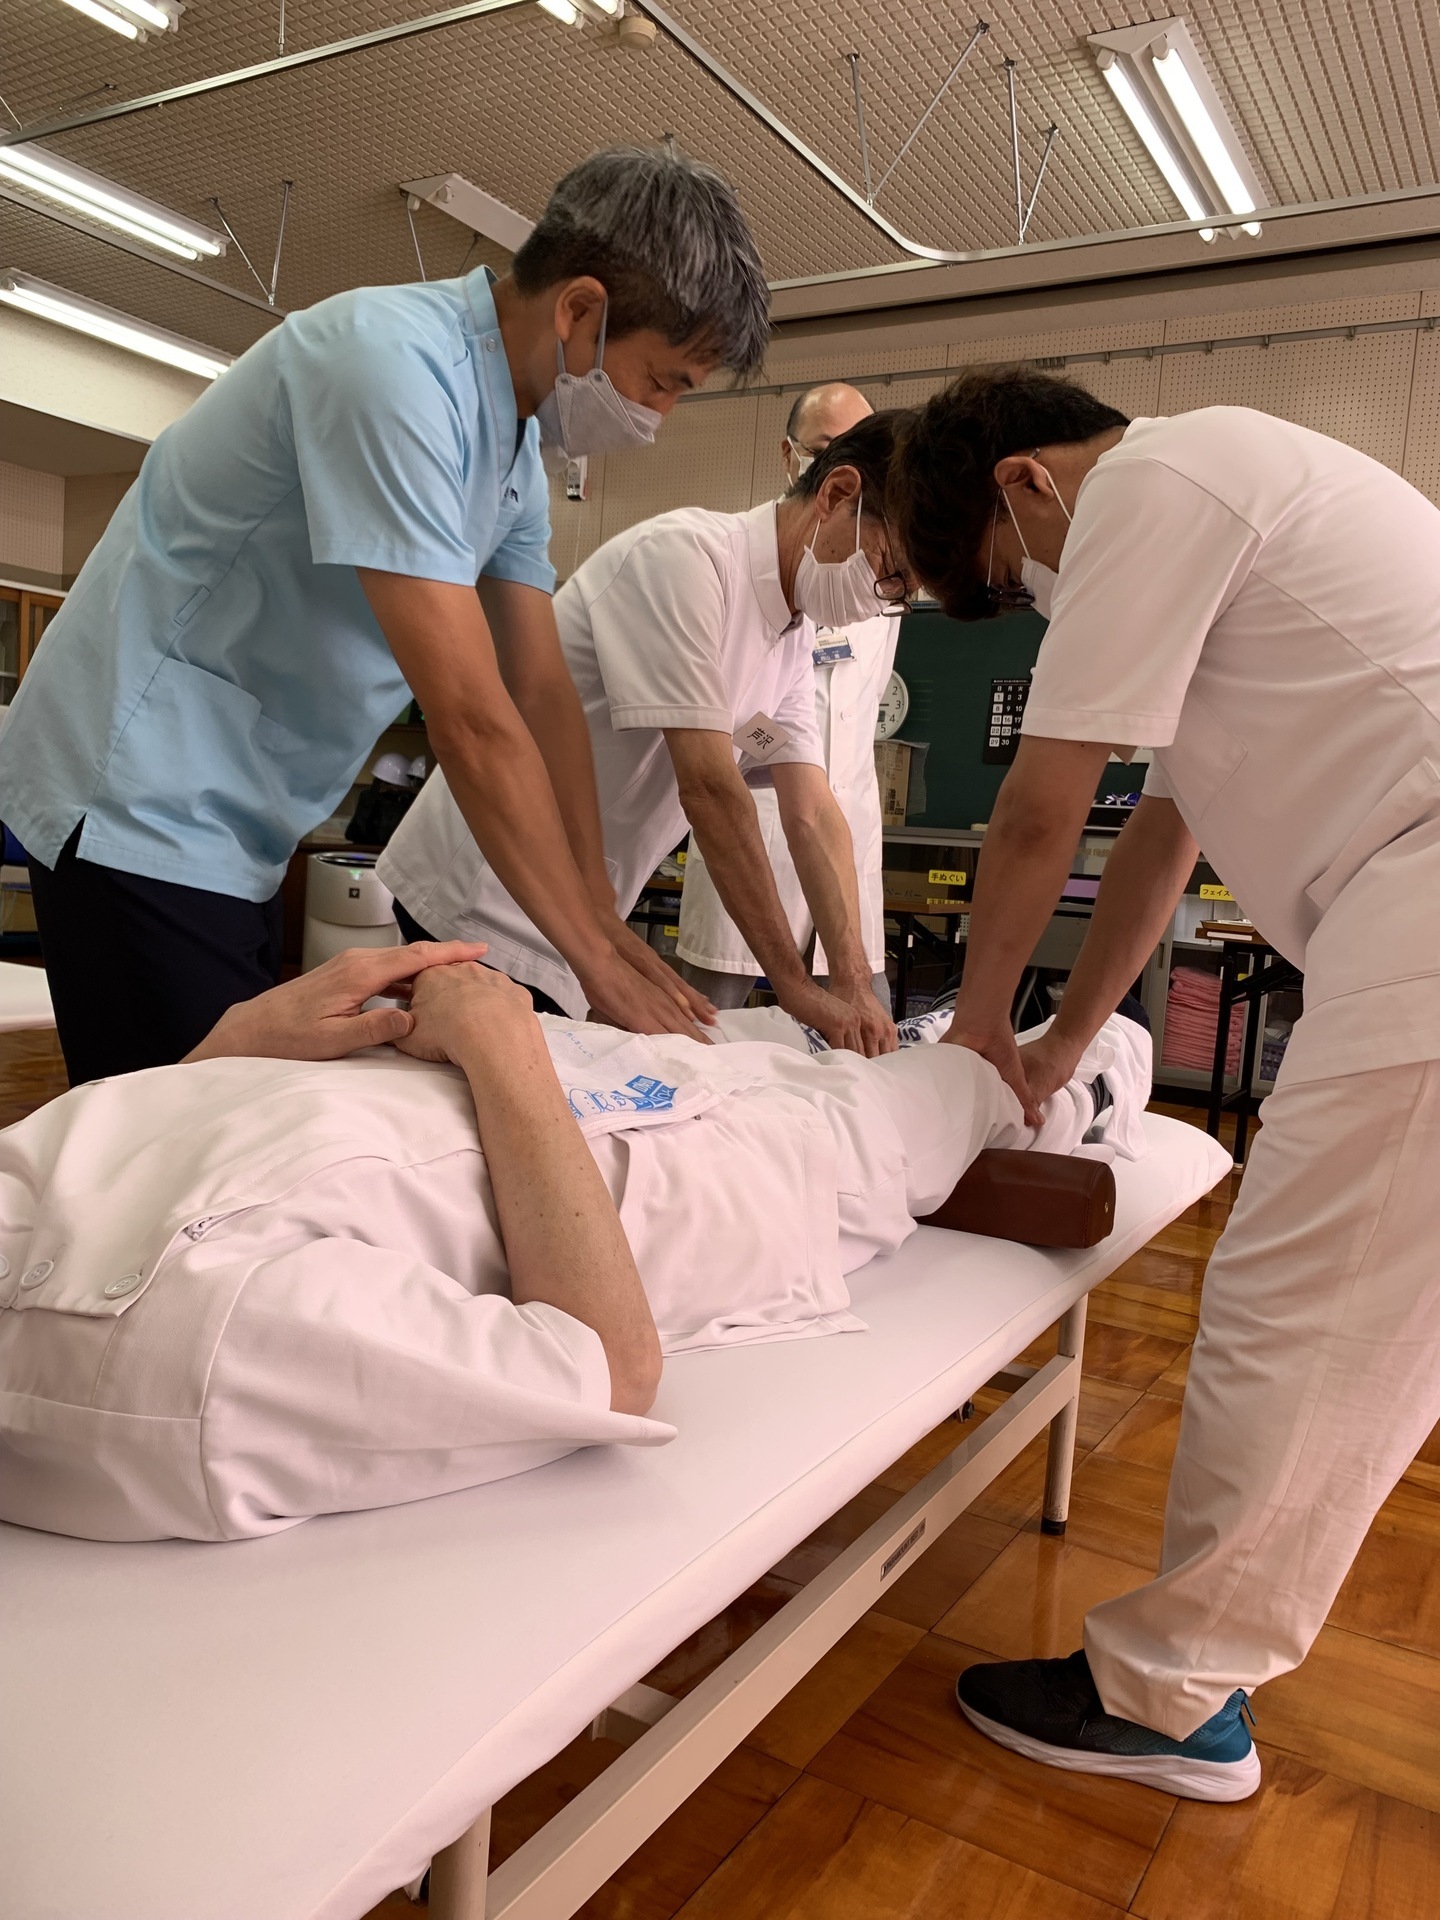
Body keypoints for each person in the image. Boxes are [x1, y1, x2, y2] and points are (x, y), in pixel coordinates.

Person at [889, 367, 1440, 1804]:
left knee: (1297, 1313)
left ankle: (1169, 1699)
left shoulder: (1154, 485)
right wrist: (1062, 1045)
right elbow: (1158, 840)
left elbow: (1042, 805)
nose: (1042, 605)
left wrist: (971, 1042)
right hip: (1402, 885)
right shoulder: (1235, 503)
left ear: (1027, 483)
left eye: (1018, 581)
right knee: (1365, 1320)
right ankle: (1187, 1679)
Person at [0, 147, 770, 1084]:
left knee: (231, 1115)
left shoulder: (514, 457)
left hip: (238, 813)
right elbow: (474, 718)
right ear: (580, 311)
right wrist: (593, 961)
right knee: (173, 1139)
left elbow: (538, 694)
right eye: (664, 381)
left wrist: (600, 914)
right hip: (134, 788)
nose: (660, 415)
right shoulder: (392, 368)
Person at [0, 943, 1148, 1543]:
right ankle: (1090, 1078)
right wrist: (499, 1047)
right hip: (670, 1169)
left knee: (762, 1040)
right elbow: (602, 1362)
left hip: (512, 1082)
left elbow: (141, 1161)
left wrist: (232, 1045)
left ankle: (945, 1056)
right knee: (948, 1090)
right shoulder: (182, 1353)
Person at [379, 414, 915, 1055]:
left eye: (900, 593)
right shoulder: (687, 559)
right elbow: (712, 790)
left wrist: (854, 980)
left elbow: (813, 813)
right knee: (465, 1110)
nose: (879, 598)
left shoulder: (793, 636)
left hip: (585, 911)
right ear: (835, 496)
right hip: (479, 891)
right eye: (888, 567)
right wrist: (794, 986)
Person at [677, 381, 900, 1014]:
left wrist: (821, 784)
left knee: (864, 1016)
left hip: (843, 833)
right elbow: (730, 711)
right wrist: (785, 754)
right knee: (707, 1021)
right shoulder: (743, 561)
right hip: (759, 822)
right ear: (790, 456)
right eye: (829, 448)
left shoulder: (881, 578)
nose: (847, 467)